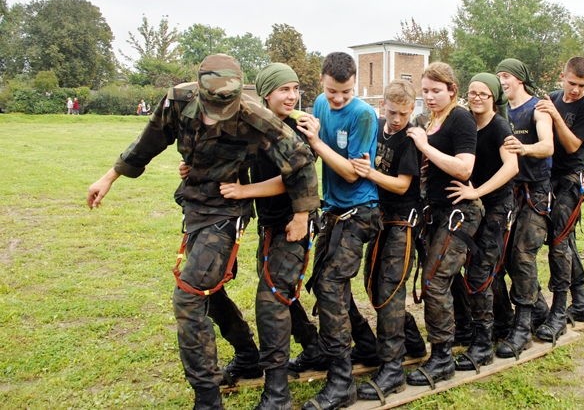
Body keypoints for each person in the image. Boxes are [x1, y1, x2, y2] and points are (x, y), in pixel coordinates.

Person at [86, 54, 319, 410]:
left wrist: (302, 216)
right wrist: (109, 176)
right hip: (195, 204)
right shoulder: (178, 100)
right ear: (198, 88)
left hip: (228, 210)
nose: (218, 112)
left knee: (189, 296)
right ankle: (246, 354)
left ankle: (208, 400)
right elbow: (147, 142)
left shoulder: (255, 114)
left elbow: (300, 161)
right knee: (207, 293)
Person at [193, 63, 319, 410]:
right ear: (266, 94)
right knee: (272, 292)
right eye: (284, 90)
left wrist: (245, 190)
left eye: (295, 89)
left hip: (294, 222)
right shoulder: (250, 124)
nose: (292, 96)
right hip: (269, 223)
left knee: (271, 298)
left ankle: (277, 393)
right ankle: (306, 348)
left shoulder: (299, 128)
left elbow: (292, 178)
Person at [294, 51, 381, 410]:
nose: (338, 99)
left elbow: (351, 172)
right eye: (332, 92)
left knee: (330, 286)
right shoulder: (318, 103)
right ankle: (368, 346)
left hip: (362, 210)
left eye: (346, 92)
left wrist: (316, 142)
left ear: (355, 83)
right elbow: (310, 153)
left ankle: (342, 381)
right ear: (321, 81)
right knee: (328, 283)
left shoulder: (363, 114)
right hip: (332, 210)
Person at [349, 79, 426, 400]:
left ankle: (392, 368)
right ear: (383, 106)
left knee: (390, 291)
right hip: (378, 221)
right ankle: (413, 342)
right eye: (393, 112)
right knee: (372, 285)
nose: (397, 119)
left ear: (412, 110)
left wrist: (368, 172)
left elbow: (401, 185)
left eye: (404, 114)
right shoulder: (377, 127)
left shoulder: (409, 140)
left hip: (402, 224)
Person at [405, 62, 481, 388]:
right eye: (425, 91)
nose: (429, 97)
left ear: (452, 89)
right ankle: (464, 328)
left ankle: (441, 357)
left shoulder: (460, 118)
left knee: (434, 283)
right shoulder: (433, 120)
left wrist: (424, 146)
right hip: (435, 211)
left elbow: (464, 169)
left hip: (460, 211)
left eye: (436, 91)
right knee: (447, 280)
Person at [447, 73, 518, 371]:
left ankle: (482, 342)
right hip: (472, 207)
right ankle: (503, 322)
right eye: (473, 93)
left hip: (497, 207)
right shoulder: (465, 123)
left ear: (494, 98)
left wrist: (477, 190)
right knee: (479, 271)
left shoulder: (499, 126)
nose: (477, 98)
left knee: (480, 273)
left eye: (484, 94)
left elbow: (512, 167)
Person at [534, 56, 584, 343]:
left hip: (571, 178)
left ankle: (559, 310)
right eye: (572, 83)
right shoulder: (553, 98)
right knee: (566, 240)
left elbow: (573, 146)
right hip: (548, 176)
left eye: (582, 85)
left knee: (560, 242)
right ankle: (581, 303)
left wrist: (557, 116)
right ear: (563, 76)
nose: (575, 90)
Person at [493, 58, 554, 358]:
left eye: (506, 76)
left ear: (520, 79)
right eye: (499, 77)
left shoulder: (538, 109)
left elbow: (548, 146)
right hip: (511, 194)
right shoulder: (505, 112)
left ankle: (523, 326)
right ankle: (540, 310)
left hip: (537, 194)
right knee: (504, 257)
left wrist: (525, 148)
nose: (502, 81)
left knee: (522, 254)